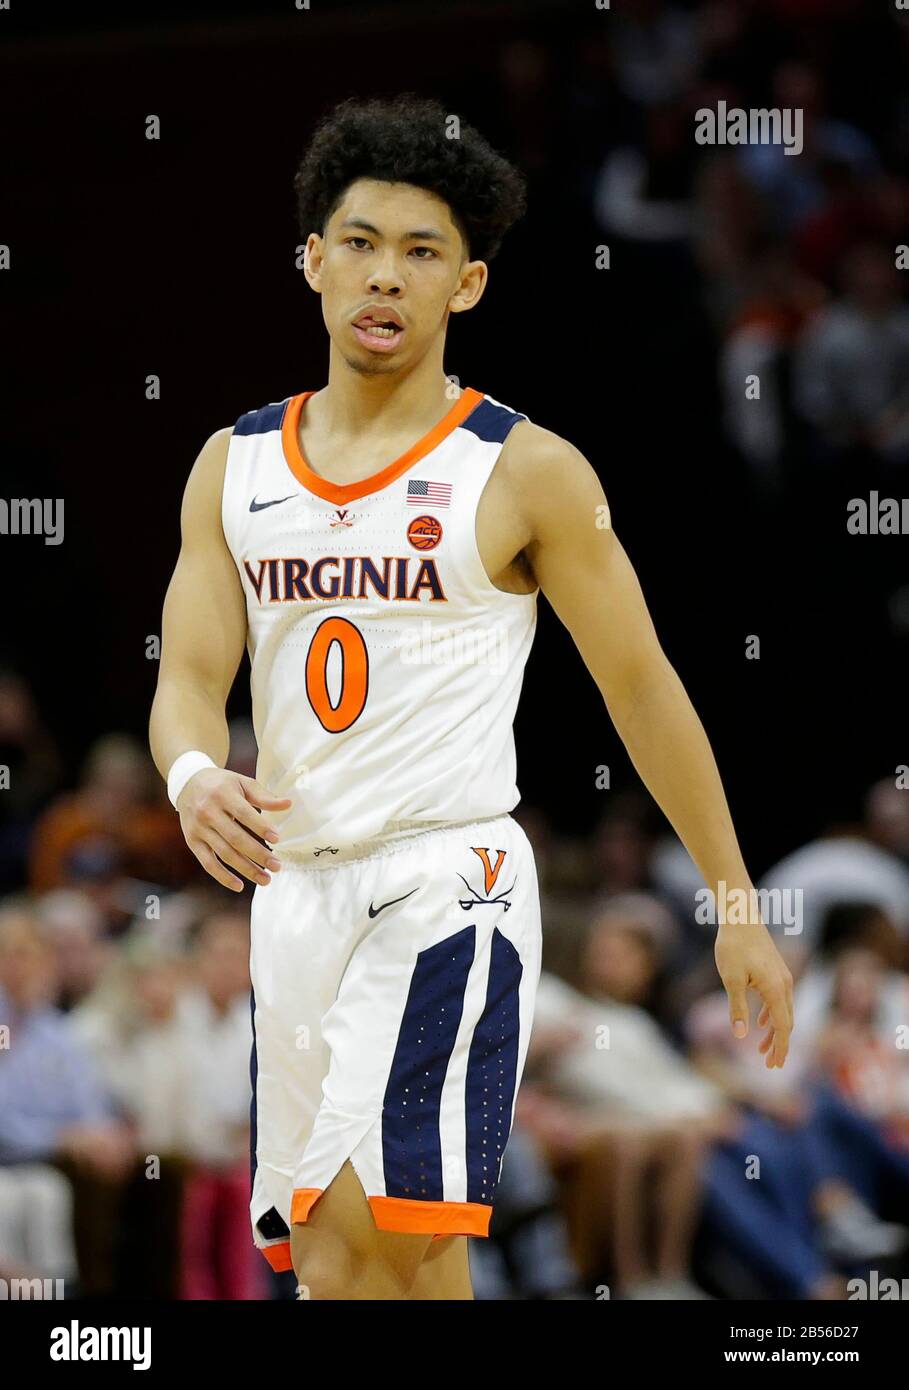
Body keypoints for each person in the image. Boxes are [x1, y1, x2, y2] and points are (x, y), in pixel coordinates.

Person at [149, 93, 793, 1301]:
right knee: (343, 1262)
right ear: (312, 261)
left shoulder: (526, 470)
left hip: (450, 879)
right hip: (295, 892)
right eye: (359, 242)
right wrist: (191, 775)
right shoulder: (230, 466)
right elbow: (188, 680)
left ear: (470, 286)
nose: (383, 277)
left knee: (385, 1222)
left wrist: (734, 900)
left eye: (421, 252)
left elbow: (642, 687)